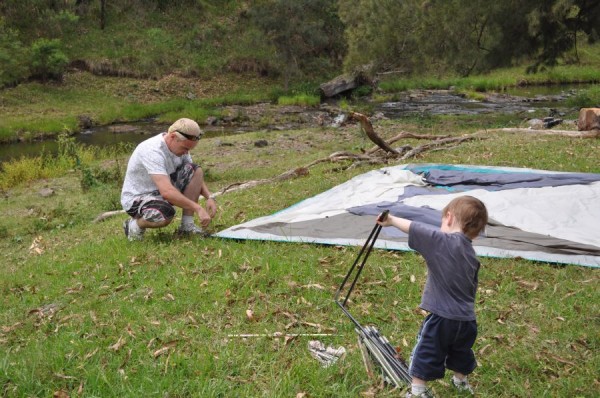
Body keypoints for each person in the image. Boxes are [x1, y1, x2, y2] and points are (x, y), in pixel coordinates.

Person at [377, 195, 488, 397]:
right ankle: (461, 381)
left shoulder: (442, 241)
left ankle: (418, 391)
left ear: (449, 217)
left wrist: (391, 220)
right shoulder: (471, 254)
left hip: (442, 318)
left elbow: (415, 228)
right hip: (467, 320)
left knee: (425, 351)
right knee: (460, 351)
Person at [120, 117, 217, 241]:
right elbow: (167, 192)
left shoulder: (180, 147)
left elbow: (192, 174)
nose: (186, 153)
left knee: (195, 170)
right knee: (165, 214)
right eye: (185, 148)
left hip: (162, 190)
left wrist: (209, 197)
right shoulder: (152, 150)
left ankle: (187, 227)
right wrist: (198, 208)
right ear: (172, 137)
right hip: (138, 198)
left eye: (189, 149)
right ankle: (134, 226)